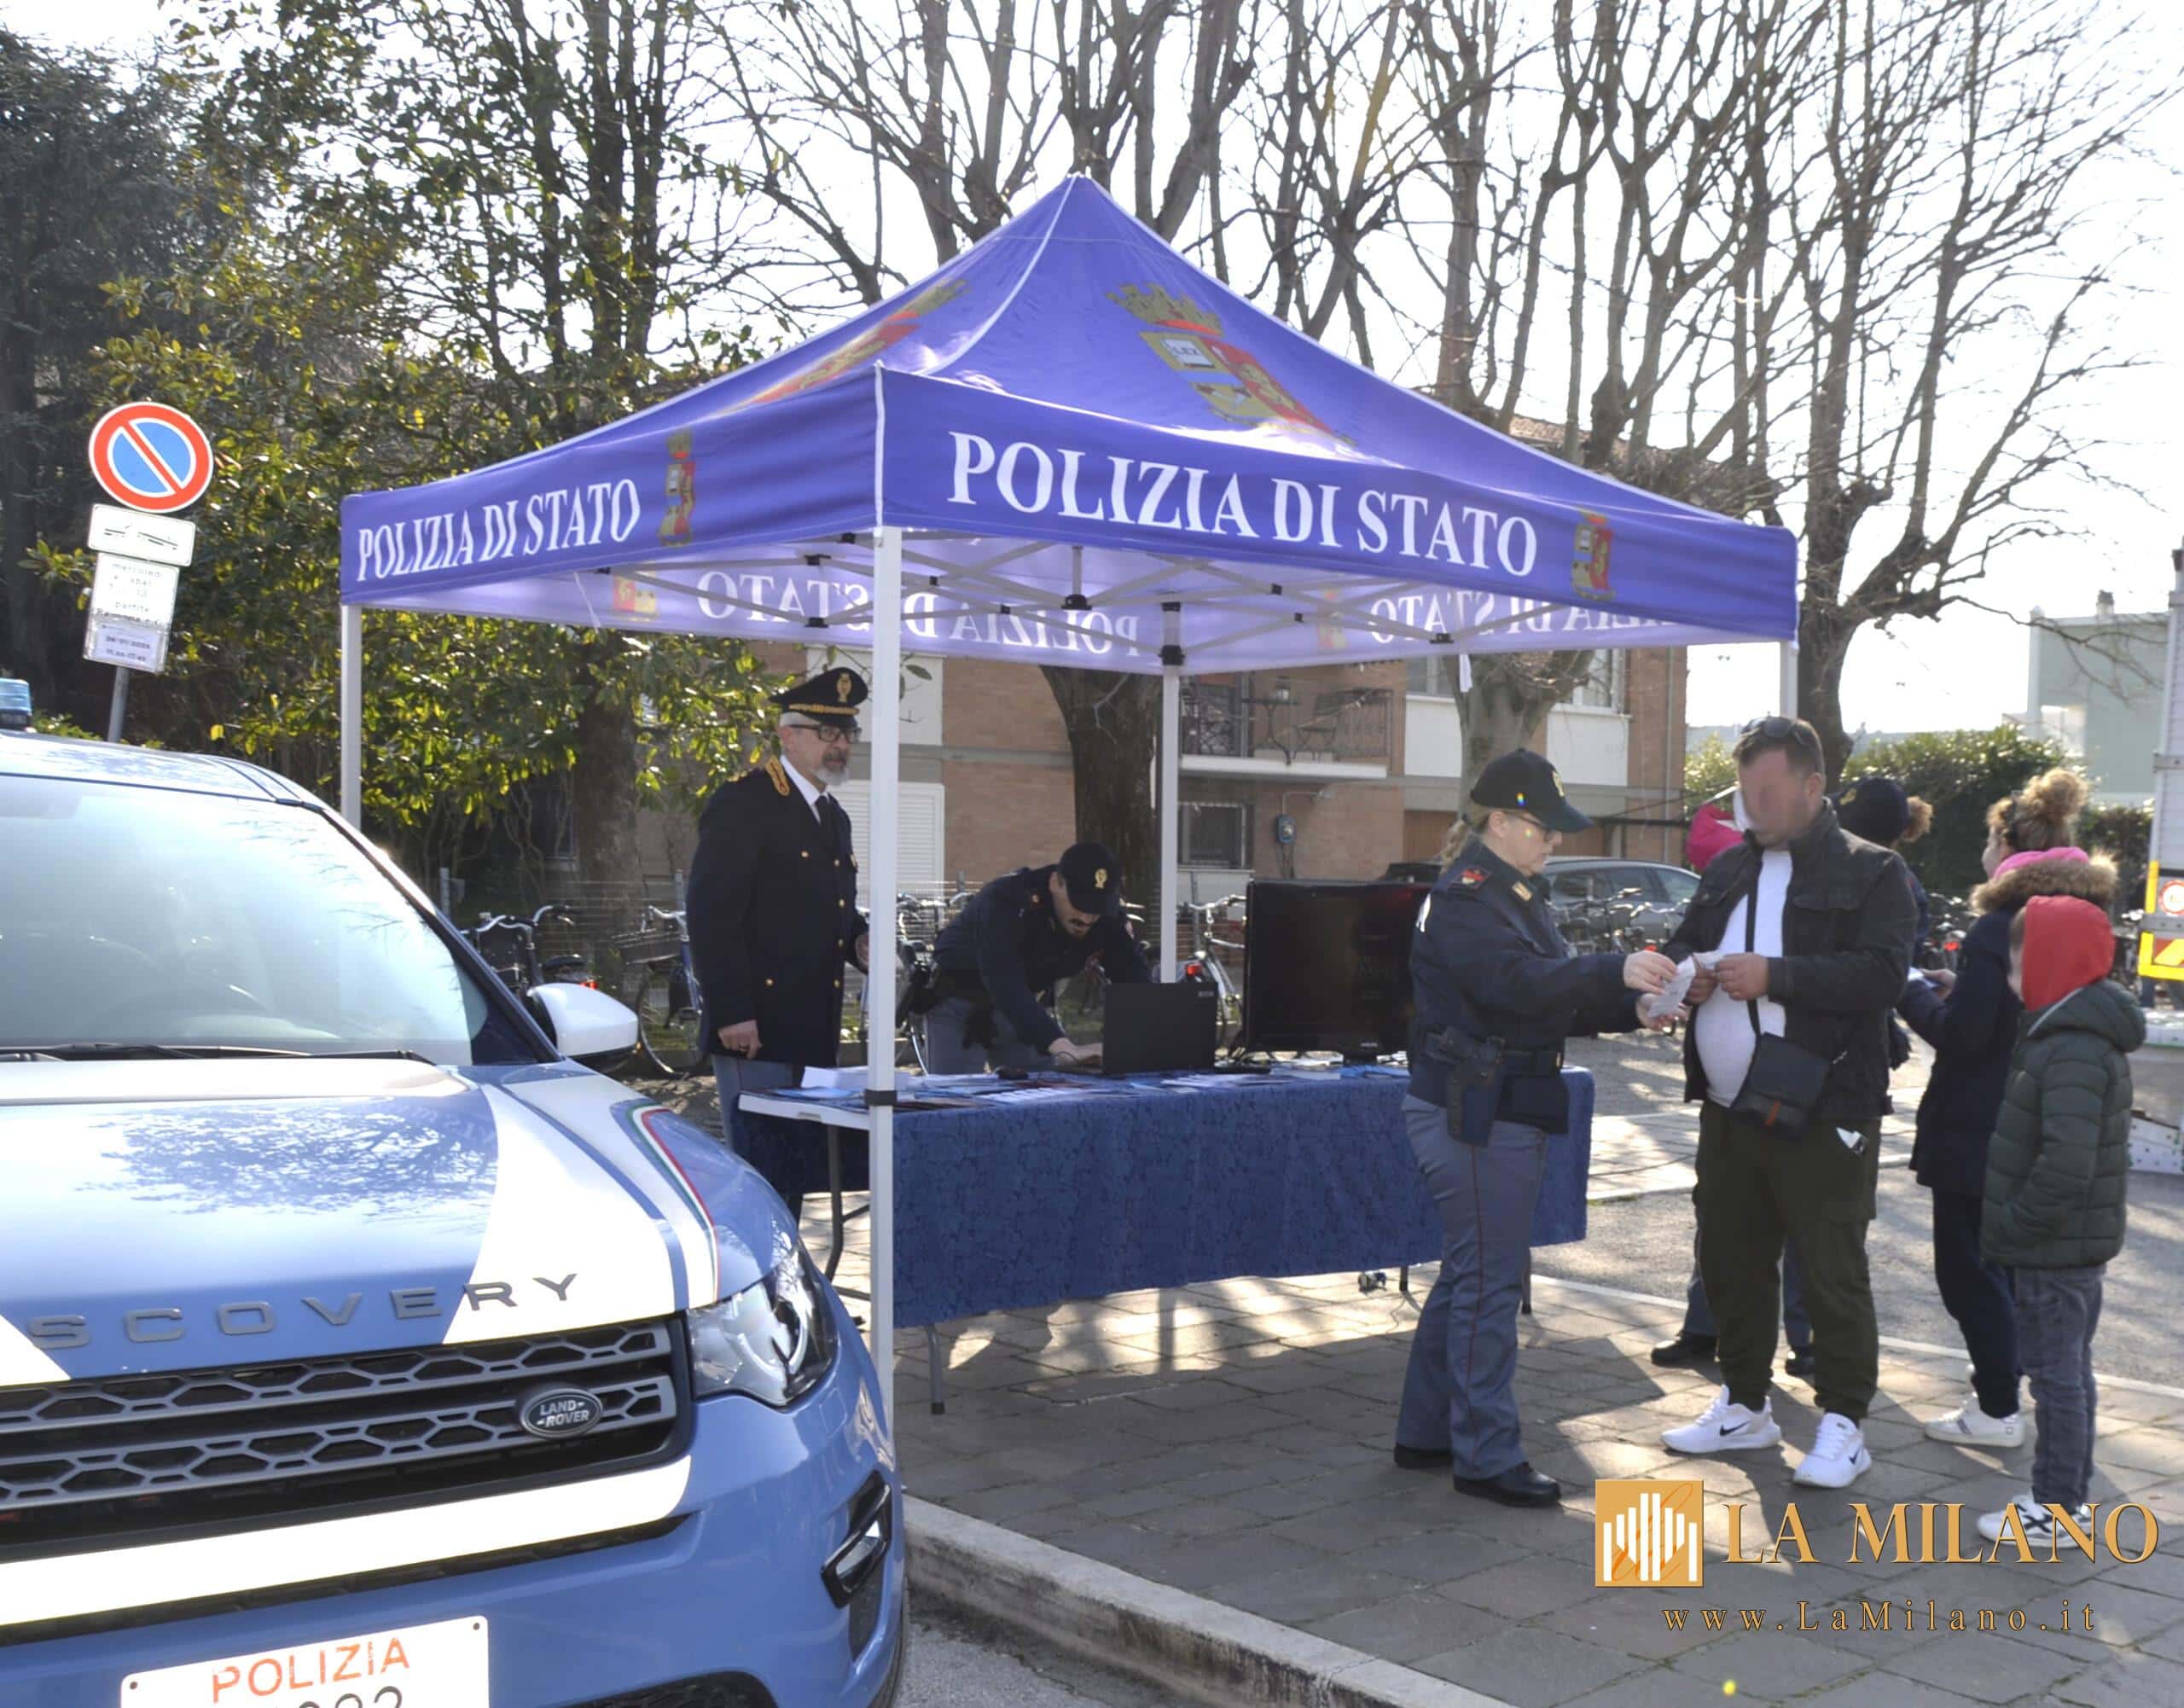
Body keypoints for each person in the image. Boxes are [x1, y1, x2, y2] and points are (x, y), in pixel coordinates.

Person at [1399, 749, 1677, 1508]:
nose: (1554, 841)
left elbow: (1544, 998)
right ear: (1500, 822)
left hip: (1492, 1104)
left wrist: (1632, 1006)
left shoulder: (1511, 894)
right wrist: (1612, 970)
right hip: (1475, 1112)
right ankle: (1485, 1456)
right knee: (1490, 1282)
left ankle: (1425, 1432)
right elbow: (1511, 987)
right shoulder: (1469, 898)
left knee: (1472, 1273)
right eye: (1542, 827)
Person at [1658, 716, 1915, 1490]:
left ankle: (1844, 1422)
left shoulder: (1874, 871)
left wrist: (1777, 976)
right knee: (1731, 1256)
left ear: (1812, 787)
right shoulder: (1730, 868)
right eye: (1744, 791)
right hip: (1731, 1107)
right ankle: (1743, 1402)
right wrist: (1680, 977)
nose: (1751, 806)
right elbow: (1684, 942)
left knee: (1831, 1264)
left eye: (1766, 791)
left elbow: (1881, 975)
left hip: (1828, 1104)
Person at [1899, 769, 2113, 1449]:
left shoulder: (1999, 924)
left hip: (1977, 1126)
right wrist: (1964, 986)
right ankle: (2012, 1387)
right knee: (2016, 1269)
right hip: (2040, 1119)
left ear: (2003, 842)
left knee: (1967, 1271)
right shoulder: (2077, 917)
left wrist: (1912, 994)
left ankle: (1995, 1409)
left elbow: (1964, 1037)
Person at [1976, 895, 2140, 1544]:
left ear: (2049, 961)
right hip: (2065, 1244)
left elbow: (2066, 1163)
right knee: (2069, 1370)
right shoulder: (2069, 1034)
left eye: (2019, 956)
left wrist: (2018, 1225)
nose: (2010, 970)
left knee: (2055, 1377)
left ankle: (2056, 1507)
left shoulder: (2070, 1046)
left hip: (2053, 1247)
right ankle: (2066, 1496)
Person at [686, 666, 871, 1221]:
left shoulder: (832, 817)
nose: (840, 746)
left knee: (796, 1170)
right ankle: (759, 1296)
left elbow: (830, 908)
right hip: (756, 1027)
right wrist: (732, 1011)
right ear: (787, 734)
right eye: (827, 733)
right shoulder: (748, 801)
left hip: (812, 1023)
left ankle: (793, 1293)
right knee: (761, 1171)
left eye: (847, 735)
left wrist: (858, 939)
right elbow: (713, 912)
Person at [925, 842, 1148, 1072]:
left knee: (1040, 1092)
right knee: (958, 1095)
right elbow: (1003, 979)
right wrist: (1066, 1049)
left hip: (1025, 1008)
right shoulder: (1007, 900)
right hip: (960, 1003)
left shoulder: (1105, 917)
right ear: (1055, 883)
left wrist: (1152, 1040)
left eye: (1096, 907)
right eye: (1079, 903)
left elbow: (1135, 980)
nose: (1087, 917)